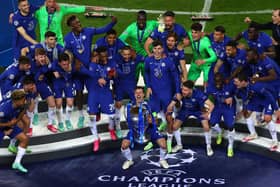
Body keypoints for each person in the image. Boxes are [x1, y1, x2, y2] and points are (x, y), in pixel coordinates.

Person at [64, 15, 117, 128]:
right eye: (76, 23)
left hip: (89, 69)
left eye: (79, 22)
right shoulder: (68, 38)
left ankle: (96, 111)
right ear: (71, 26)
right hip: (78, 70)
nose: (79, 24)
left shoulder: (87, 31)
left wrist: (112, 23)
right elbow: (67, 52)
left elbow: (101, 30)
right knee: (79, 92)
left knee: (93, 91)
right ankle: (81, 115)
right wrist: (75, 59)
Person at [144, 40, 180, 150]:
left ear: (163, 49)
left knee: (169, 119)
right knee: (151, 119)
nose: (157, 51)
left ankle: (169, 142)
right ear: (152, 49)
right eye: (155, 48)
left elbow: (176, 77)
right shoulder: (148, 60)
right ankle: (152, 140)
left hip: (166, 94)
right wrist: (148, 86)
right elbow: (146, 73)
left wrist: (178, 91)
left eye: (159, 48)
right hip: (154, 95)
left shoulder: (168, 61)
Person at [121, 87, 169, 170]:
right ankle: (129, 160)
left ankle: (162, 160)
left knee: (163, 144)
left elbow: (157, 118)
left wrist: (152, 121)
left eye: (140, 93)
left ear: (143, 95)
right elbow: (128, 121)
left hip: (150, 129)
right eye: (136, 93)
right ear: (134, 95)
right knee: (124, 145)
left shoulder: (150, 105)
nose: (138, 94)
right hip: (135, 130)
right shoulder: (128, 107)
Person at [82, 47, 118, 152]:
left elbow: (112, 77)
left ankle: (111, 129)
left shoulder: (111, 64)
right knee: (92, 117)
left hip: (105, 93)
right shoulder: (92, 65)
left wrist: (112, 75)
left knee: (111, 115)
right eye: (101, 56)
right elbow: (88, 73)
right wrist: (98, 78)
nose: (104, 58)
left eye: (105, 56)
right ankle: (96, 138)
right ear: (97, 56)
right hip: (93, 94)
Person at [166, 80, 215, 156]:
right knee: (174, 127)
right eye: (182, 89)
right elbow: (171, 105)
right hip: (185, 109)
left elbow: (211, 105)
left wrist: (207, 113)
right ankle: (179, 145)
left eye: (185, 90)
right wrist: (170, 107)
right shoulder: (180, 93)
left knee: (206, 127)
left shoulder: (199, 94)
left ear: (191, 90)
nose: (183, 91)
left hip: (198, 110)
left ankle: (208, 146)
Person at [234, 72, 279, 151]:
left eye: (237, 82)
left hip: (267, 98)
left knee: (267, 118)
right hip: (256, 98)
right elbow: (246, 99)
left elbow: (269, 96)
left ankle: (275, 141)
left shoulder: (256, 86)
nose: (235, 83)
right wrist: (243, 110)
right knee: (246, 113)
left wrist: (276, 109)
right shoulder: (240, 88)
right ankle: (253, 134)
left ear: (243, 81)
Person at [35, 0, 103, 45]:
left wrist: (91, 8)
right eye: (50, 2)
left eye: (54, 2)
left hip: (58, 40)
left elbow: (75, 9)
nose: (52, 4)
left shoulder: (60, 10)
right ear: (46, 3)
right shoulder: (40, 11)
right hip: (44, 41)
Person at [114, 46, 145, 138]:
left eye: (128, 54)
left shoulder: (135, 58)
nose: (126, 56)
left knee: (136, 106)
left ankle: (137, 126)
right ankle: (118, 127)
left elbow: (146, 58)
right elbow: (117, 71)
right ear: (121, 54)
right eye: (124, 54)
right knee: (118, 105)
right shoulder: (117, 59)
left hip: (131, 86)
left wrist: (136, 54)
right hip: (120, 86)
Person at [119, 10, 158, 81]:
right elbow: (120, 39)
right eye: (139, 20)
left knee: (148, 78)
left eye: (143, 20)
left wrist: (161, 23)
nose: (141, 22)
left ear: (146, 20)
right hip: (135, 56)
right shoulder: (131, 28)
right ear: (137, 20)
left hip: (148, 54)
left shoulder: (152, 24)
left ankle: (148, 91)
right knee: (133, 78)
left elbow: (162, 25)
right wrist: (129, 47)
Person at [207, 73, 236, 157]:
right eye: (216, 82)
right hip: (217, 106)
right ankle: (220, 131)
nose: (218, 84)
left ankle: (230, 146)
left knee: (230, 126)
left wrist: (232, 97)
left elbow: (237, 91)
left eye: (219, 82)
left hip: (228, 108)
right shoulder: (211, 86)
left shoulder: (229, 86)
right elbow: (205, 96)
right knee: (211, 123)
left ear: (223, 81)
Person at [0, 90, 30, 173]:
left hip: (8, 123)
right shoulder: (4, 109)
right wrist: (8, 126)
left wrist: (24, 110)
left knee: (25, 139)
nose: (24, 101)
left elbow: (18, 118)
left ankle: (16, 163)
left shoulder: (20, 105)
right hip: (2, 125)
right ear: (16, 101)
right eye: (23, 100)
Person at [187, 23, 217, 87]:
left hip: (206, 64)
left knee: (206, 85)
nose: (193, 35)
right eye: (192, 32)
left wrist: (203, 61)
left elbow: (214, 57)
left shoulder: (205, 42)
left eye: (196, 33)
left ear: (201, 33)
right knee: (188, 84)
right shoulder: (190, 35)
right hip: (195, 62)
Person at [51, 53, 75, 132]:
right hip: (58, 83)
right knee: (58, 103)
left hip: (68, 82)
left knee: (70, 103)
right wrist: (54, 72)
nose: (66, 66)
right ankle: (60, 122)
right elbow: (49, 66)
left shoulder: (72, 66)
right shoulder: (54, 65)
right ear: (59, 63)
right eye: (64, 64)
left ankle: (67, 120)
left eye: (67, 64)